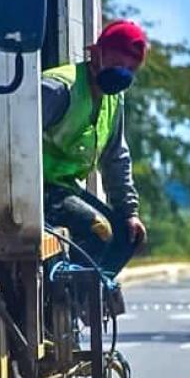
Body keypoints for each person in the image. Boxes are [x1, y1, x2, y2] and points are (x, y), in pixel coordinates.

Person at [42, 20, 149, 277]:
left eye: (130, 68)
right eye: (117, 63)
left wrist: (129, 212)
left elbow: (116, 158)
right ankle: (68, 296)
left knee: (127, 234)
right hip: (38, 190)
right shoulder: (58, 89)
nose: (122, 72)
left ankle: (93, 295)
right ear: (96, 53)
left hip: (66, 189)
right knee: (98, 230)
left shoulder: (114, 100)